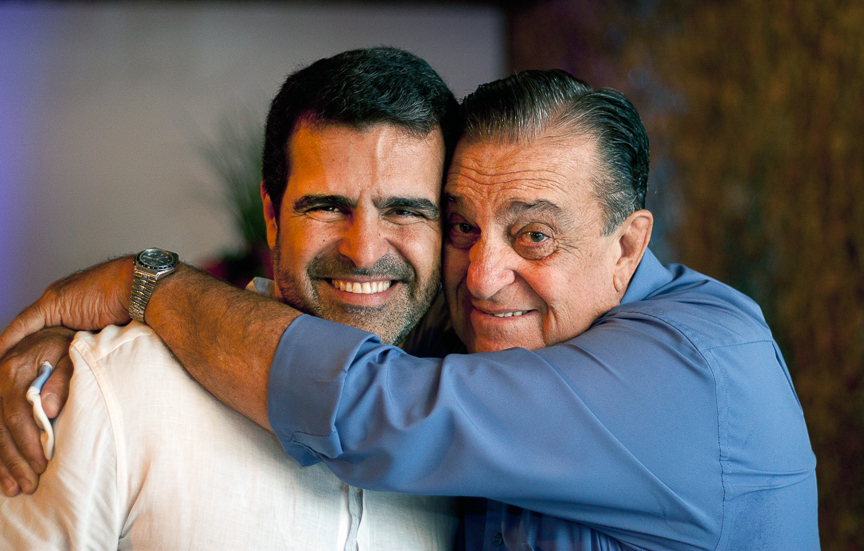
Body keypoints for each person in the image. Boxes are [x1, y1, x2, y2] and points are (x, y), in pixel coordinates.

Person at [1, 70, 819, 550]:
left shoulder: (700, 372)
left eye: (534, 234)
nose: (483, 275)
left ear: (627, 245)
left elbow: (371, 406)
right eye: (461, 226)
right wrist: (86, 350)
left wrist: (144, 283)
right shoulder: (109, 398)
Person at [0, 46, 462, 549]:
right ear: (272, 216)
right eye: (328, 207)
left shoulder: (465, 433)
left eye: (405, 211)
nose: (364, 250)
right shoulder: (109, 389)